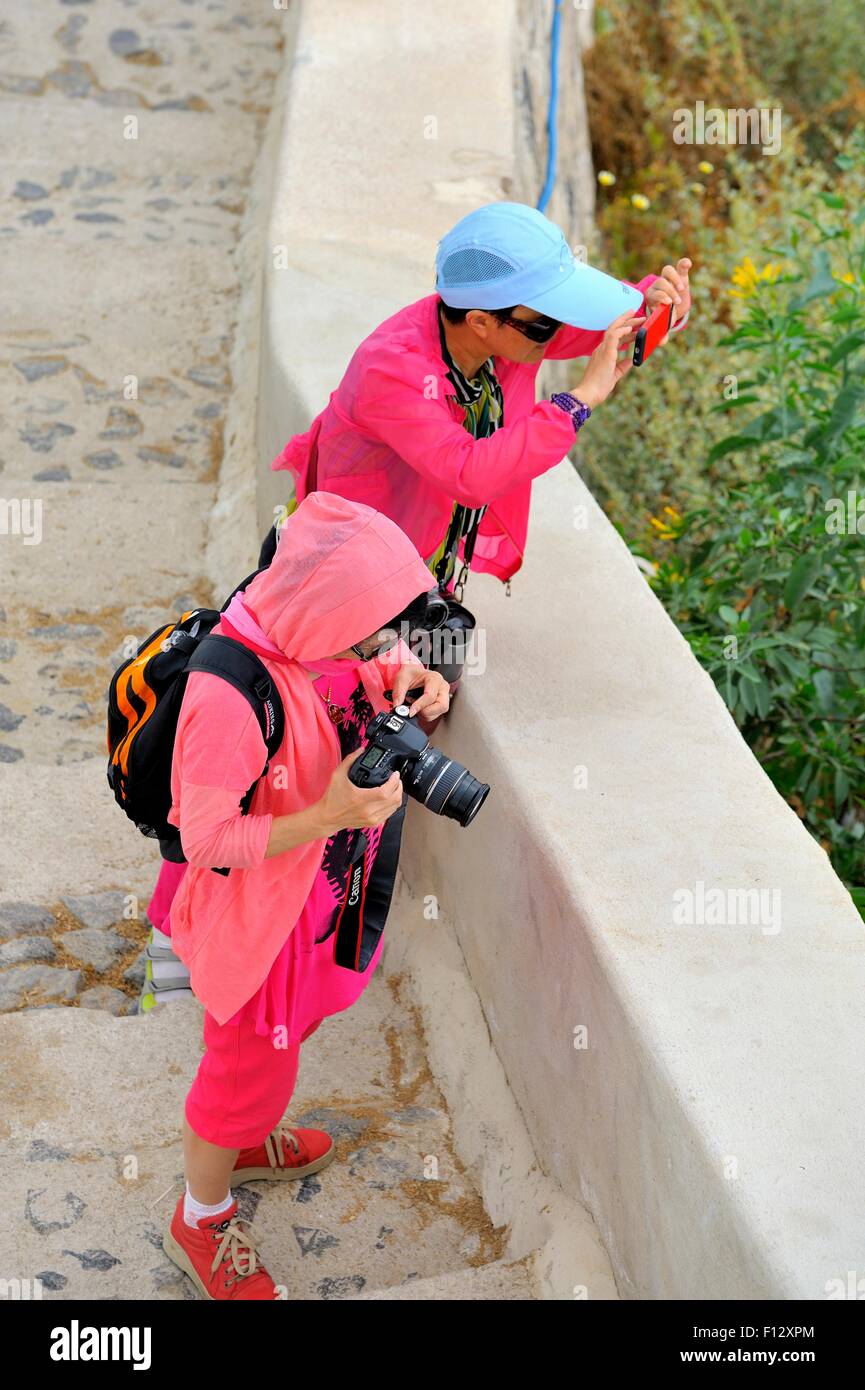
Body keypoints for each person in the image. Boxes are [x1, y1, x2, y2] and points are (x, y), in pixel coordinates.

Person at [161, 491, 450, 1300]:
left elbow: (365, 674)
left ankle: (243, 1139)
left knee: (273, 1058)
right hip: (257, 928)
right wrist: (325, 813)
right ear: (328, 606)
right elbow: (205, 840)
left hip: (310, 907)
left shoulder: (304, 626)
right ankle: (202, 1212)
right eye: (373, 624)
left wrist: (417, 680)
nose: (382, 639)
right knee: (238, 1075)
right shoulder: (226, 693)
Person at [266, 201, 692, 601]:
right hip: (337, 575)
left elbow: (609, 324)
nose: (560, 328)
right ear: (481, 322)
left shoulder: (510, 332)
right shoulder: (393, 370)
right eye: (547, 321)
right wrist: (579, 402)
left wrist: (656, 304)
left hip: (414, 563)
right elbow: (469, 473)